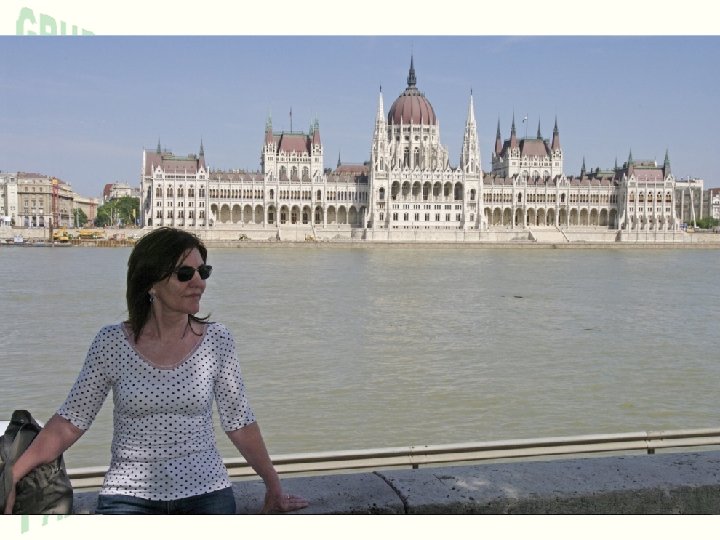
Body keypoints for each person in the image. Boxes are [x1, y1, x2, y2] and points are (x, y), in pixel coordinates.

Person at [4, 227, 308, 515]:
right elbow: (71, 422)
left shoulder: (217, 340)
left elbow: (239, 423)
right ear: (151, 283)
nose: (199, 283)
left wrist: (274, 486)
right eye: (185, 274)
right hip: (128, 494)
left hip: (206, 491)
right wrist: (13, 476)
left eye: (203, 272)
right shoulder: (112, 343)